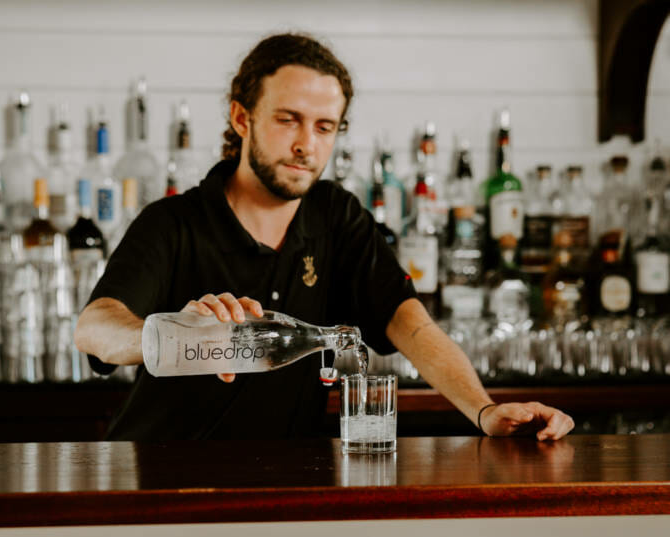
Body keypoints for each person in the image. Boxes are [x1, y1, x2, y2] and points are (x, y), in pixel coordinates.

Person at [74, 33, 575, 442]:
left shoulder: (336, 217)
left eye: (324, 127)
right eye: (288, 119)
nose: (305, 145)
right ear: (241, 118)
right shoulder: (173, 221)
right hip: (163, 486)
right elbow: (94, 328)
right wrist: (171, 336)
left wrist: (484, 411)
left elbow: (410, 324)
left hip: (284, 492)